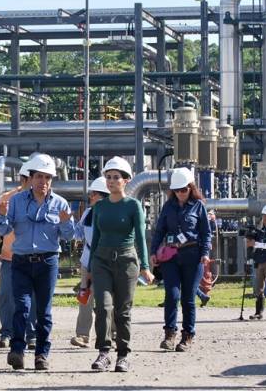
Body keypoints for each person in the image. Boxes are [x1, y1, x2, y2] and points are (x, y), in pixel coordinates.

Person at [0, 153, 74, 371]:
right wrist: (1, 215)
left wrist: (67, 223)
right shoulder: (16, 202)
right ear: (30, 178)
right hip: (20, 261)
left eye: (48, 177)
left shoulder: (60, 204)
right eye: (39, 176)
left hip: (47, 262)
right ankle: (17, 351)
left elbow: (69, 236)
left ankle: (41, 354)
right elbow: (4, 230)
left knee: (44, 311)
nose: (44, 182)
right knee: (21, 306)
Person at [88, 157, 153, 372]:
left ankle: (123, 354)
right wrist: (89, 269)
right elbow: (94, 240)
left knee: (122, 311)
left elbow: (140, 238)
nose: (111, 181)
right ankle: (104, 352)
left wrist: (145, 266)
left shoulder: (133, 206)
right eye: (108, 177)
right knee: (103, 307)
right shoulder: (99, 207)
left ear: (126, 180)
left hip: (126, 262)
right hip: (101, 261)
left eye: (116, 177)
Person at [150, 167, 211, 352]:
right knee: (172, 295)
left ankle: (188, 336)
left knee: (188, 299)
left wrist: (205, 253)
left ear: (191, 188)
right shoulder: (168, 206)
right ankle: (169, 334)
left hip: (193, 256)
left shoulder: (199, 207)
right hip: (171, 256)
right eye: (176, 191)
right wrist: (153, 251)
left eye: (183, 190)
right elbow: (159, 230)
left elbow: (206, 233)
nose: (180, 194)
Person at [0, 159, 37, 350]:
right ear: (24, 179)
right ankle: (6, 333)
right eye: (34, 178)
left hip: (34, 256)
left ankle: (31, 334)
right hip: (10, 256)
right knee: (7, 296)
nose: (38, 182)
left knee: (33, 297)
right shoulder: (7, 198)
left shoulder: (41, 198)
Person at [70, 176, 109, 349]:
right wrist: (66, 222)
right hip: (87, 261)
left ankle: (112, 335)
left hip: (107, 261)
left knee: (109, 300)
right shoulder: (88, 213)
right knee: (84, 297)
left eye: (94, 194)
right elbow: (78, 233)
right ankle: (83, 335)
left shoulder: (112, 214)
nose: (91, 197)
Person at [196, 210, 218, 307]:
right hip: (197, 248)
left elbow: (209, 232)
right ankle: (203, 296)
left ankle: (203, 296)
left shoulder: (205, 217)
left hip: (201, 249)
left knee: (189, 279)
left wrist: (212, 220)